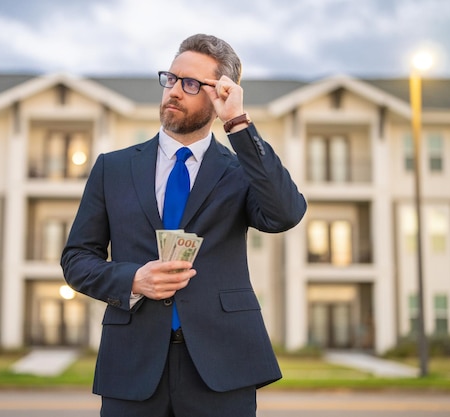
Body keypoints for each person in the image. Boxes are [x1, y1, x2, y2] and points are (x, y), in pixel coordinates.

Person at [61, 33, 306, 417]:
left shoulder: (241, 171)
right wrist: (133, 280)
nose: (174, 91)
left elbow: (286, 213)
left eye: (191, 84)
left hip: (223, 363)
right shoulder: (114, 168)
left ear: (221, 94)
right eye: (170, 78)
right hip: (133, 364)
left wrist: (238, 123)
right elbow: (76, 259)